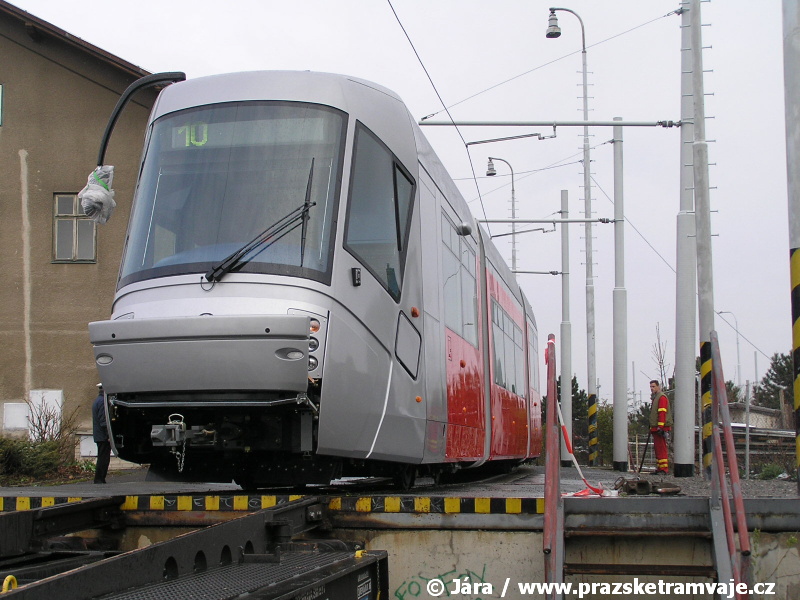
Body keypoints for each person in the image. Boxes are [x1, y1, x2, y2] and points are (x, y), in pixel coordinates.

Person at [649, 380, 673, 475]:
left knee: (661, 448)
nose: (651, 388)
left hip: (660, 428)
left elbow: (662, 412)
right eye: (651, 387)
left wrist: (660, 426)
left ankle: (663, 469)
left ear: (658, 386)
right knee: (658, 448)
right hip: (656, 427)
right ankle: (660, 467)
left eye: (653, 386)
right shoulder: (657, 398)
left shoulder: (661, 397)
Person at [92, 384, 111, 484]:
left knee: (102, 457)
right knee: (104, 458)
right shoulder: (103, 402)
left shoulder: (97, 401)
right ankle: (99, 479)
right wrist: (108, 435)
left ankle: (100, 478)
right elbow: (104, 421)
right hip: (103, 436)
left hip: (99, 435)